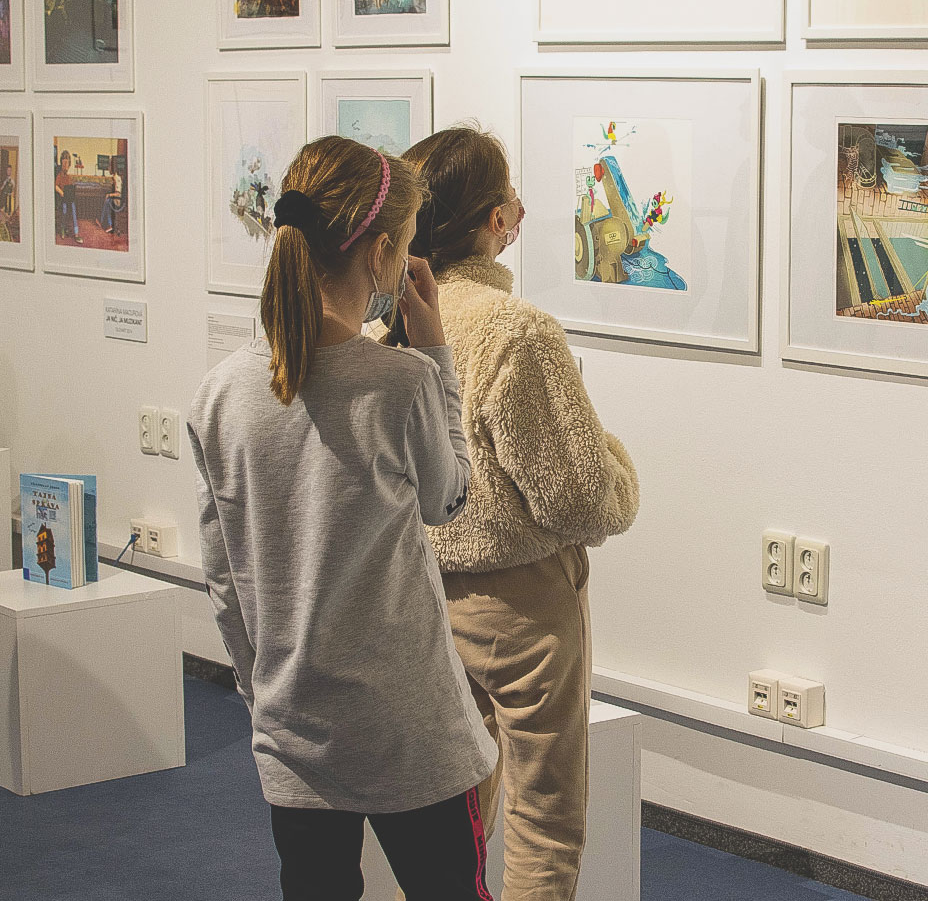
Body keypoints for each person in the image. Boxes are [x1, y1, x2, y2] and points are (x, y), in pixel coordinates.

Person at [187, 135, 497, 900]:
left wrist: (263, 693)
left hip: (294, 722)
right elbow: (449, 498)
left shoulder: (219, 395)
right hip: (409, 728)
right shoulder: (401, 384)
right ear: (383, 253)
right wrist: (437, 355)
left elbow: (224, 581)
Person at [396, 125, 640, 901]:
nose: (523, 212)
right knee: (545, 820)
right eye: (511, 199)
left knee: (447, 819)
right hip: (524, 612)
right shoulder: (515, 330)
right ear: (492, 220)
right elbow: (578, 496)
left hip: (421, 596)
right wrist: (619, 467)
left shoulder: (393, 319)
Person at [54, 150, 80, 244]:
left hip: (69, 198)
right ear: (61, 163)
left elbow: (69, 187)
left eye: (67, 164)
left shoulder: (68, 177)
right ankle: (62, 229)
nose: (65, 166)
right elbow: (55, 186)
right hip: (62, 199)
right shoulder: (59, 175)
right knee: (64, 210)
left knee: (73, 210)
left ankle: (76, 233)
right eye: (64, 164)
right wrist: (62, 193)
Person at [99, 169, 123, 234]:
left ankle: (107, 224)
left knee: (107, 201)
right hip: (115, 199)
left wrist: (109, 195)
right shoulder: (115, 177)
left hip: (117, 201)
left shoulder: (117, 178)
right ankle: (103, 222)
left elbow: (118, 193)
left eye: (109, 167)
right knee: (107, 201)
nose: (108, 169)